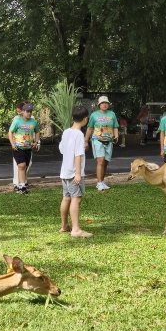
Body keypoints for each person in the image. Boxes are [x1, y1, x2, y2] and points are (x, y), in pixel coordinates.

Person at [58, 104, 91, 237]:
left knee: (66, 198)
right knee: (76, 199)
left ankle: (64, 225)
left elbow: (61, 149)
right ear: (85, 119)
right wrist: (78, 173)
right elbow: (78, 155)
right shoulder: (79, 135)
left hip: (64, 172)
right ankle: (76, 229)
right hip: (73, 173)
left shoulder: (66, 132)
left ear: (73, 118)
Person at [86, 95, 120, 191]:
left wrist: (116, 135)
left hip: (109, 140)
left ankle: (102, 181)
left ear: (108, 104)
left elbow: (115, 126)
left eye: (106, 103)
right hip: (97, 140)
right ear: (99, 105)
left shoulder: (112, 114)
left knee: (105, 162)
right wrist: (85, 140)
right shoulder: (94, 115)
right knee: (100, 161)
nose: (104, 104)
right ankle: (99, 183)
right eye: (102, 103)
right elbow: (90, 128)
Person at [8, 101, 40, 193]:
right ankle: (22, 186)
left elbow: (37, 131)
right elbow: (10, 132)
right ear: (23, 112)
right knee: (21, 165)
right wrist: (12, 143)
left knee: (24, 167)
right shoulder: (17, 120)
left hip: (28, 148)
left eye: (30, 111)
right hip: (18, 147)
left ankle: (20, 185)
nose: (29, 113)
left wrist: (36, 142)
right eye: (27, 111)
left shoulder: (34, 122)